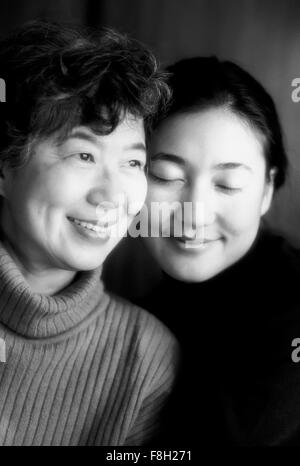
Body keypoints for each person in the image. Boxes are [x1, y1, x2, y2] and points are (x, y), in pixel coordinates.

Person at [104, 56, 300, 445]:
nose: (194, 216)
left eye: (226, 184)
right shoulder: (140, 317)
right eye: (166, 177)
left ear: (265, 190)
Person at [0, 20, 178, 446]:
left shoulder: (146, 356)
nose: (112, 195)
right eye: (83, 154)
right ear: (5, 166)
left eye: (133, 164)